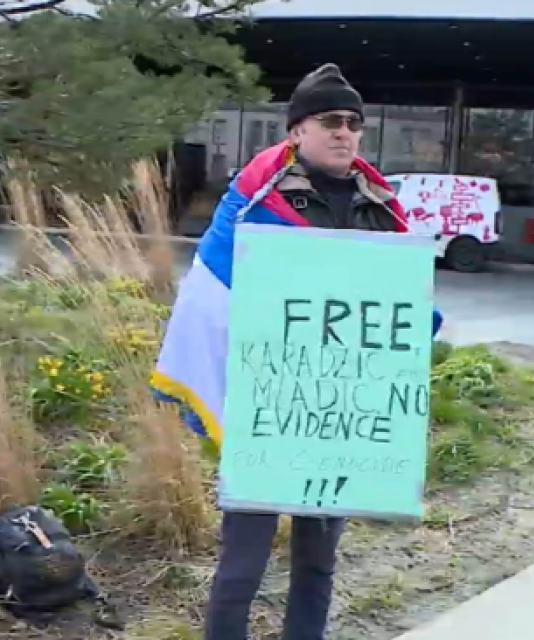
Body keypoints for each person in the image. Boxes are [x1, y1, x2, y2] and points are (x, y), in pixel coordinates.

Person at [151, 64, 442, 640]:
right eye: (331, 120)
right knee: (243, 565)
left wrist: (413, 322)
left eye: (353, 123)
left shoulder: (379, 208)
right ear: (297, 130)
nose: (344, 132)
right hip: (267, 410)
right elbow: (211, 295)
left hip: (337, 412)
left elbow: (391, 299)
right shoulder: (253, 205)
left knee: (318, 562)